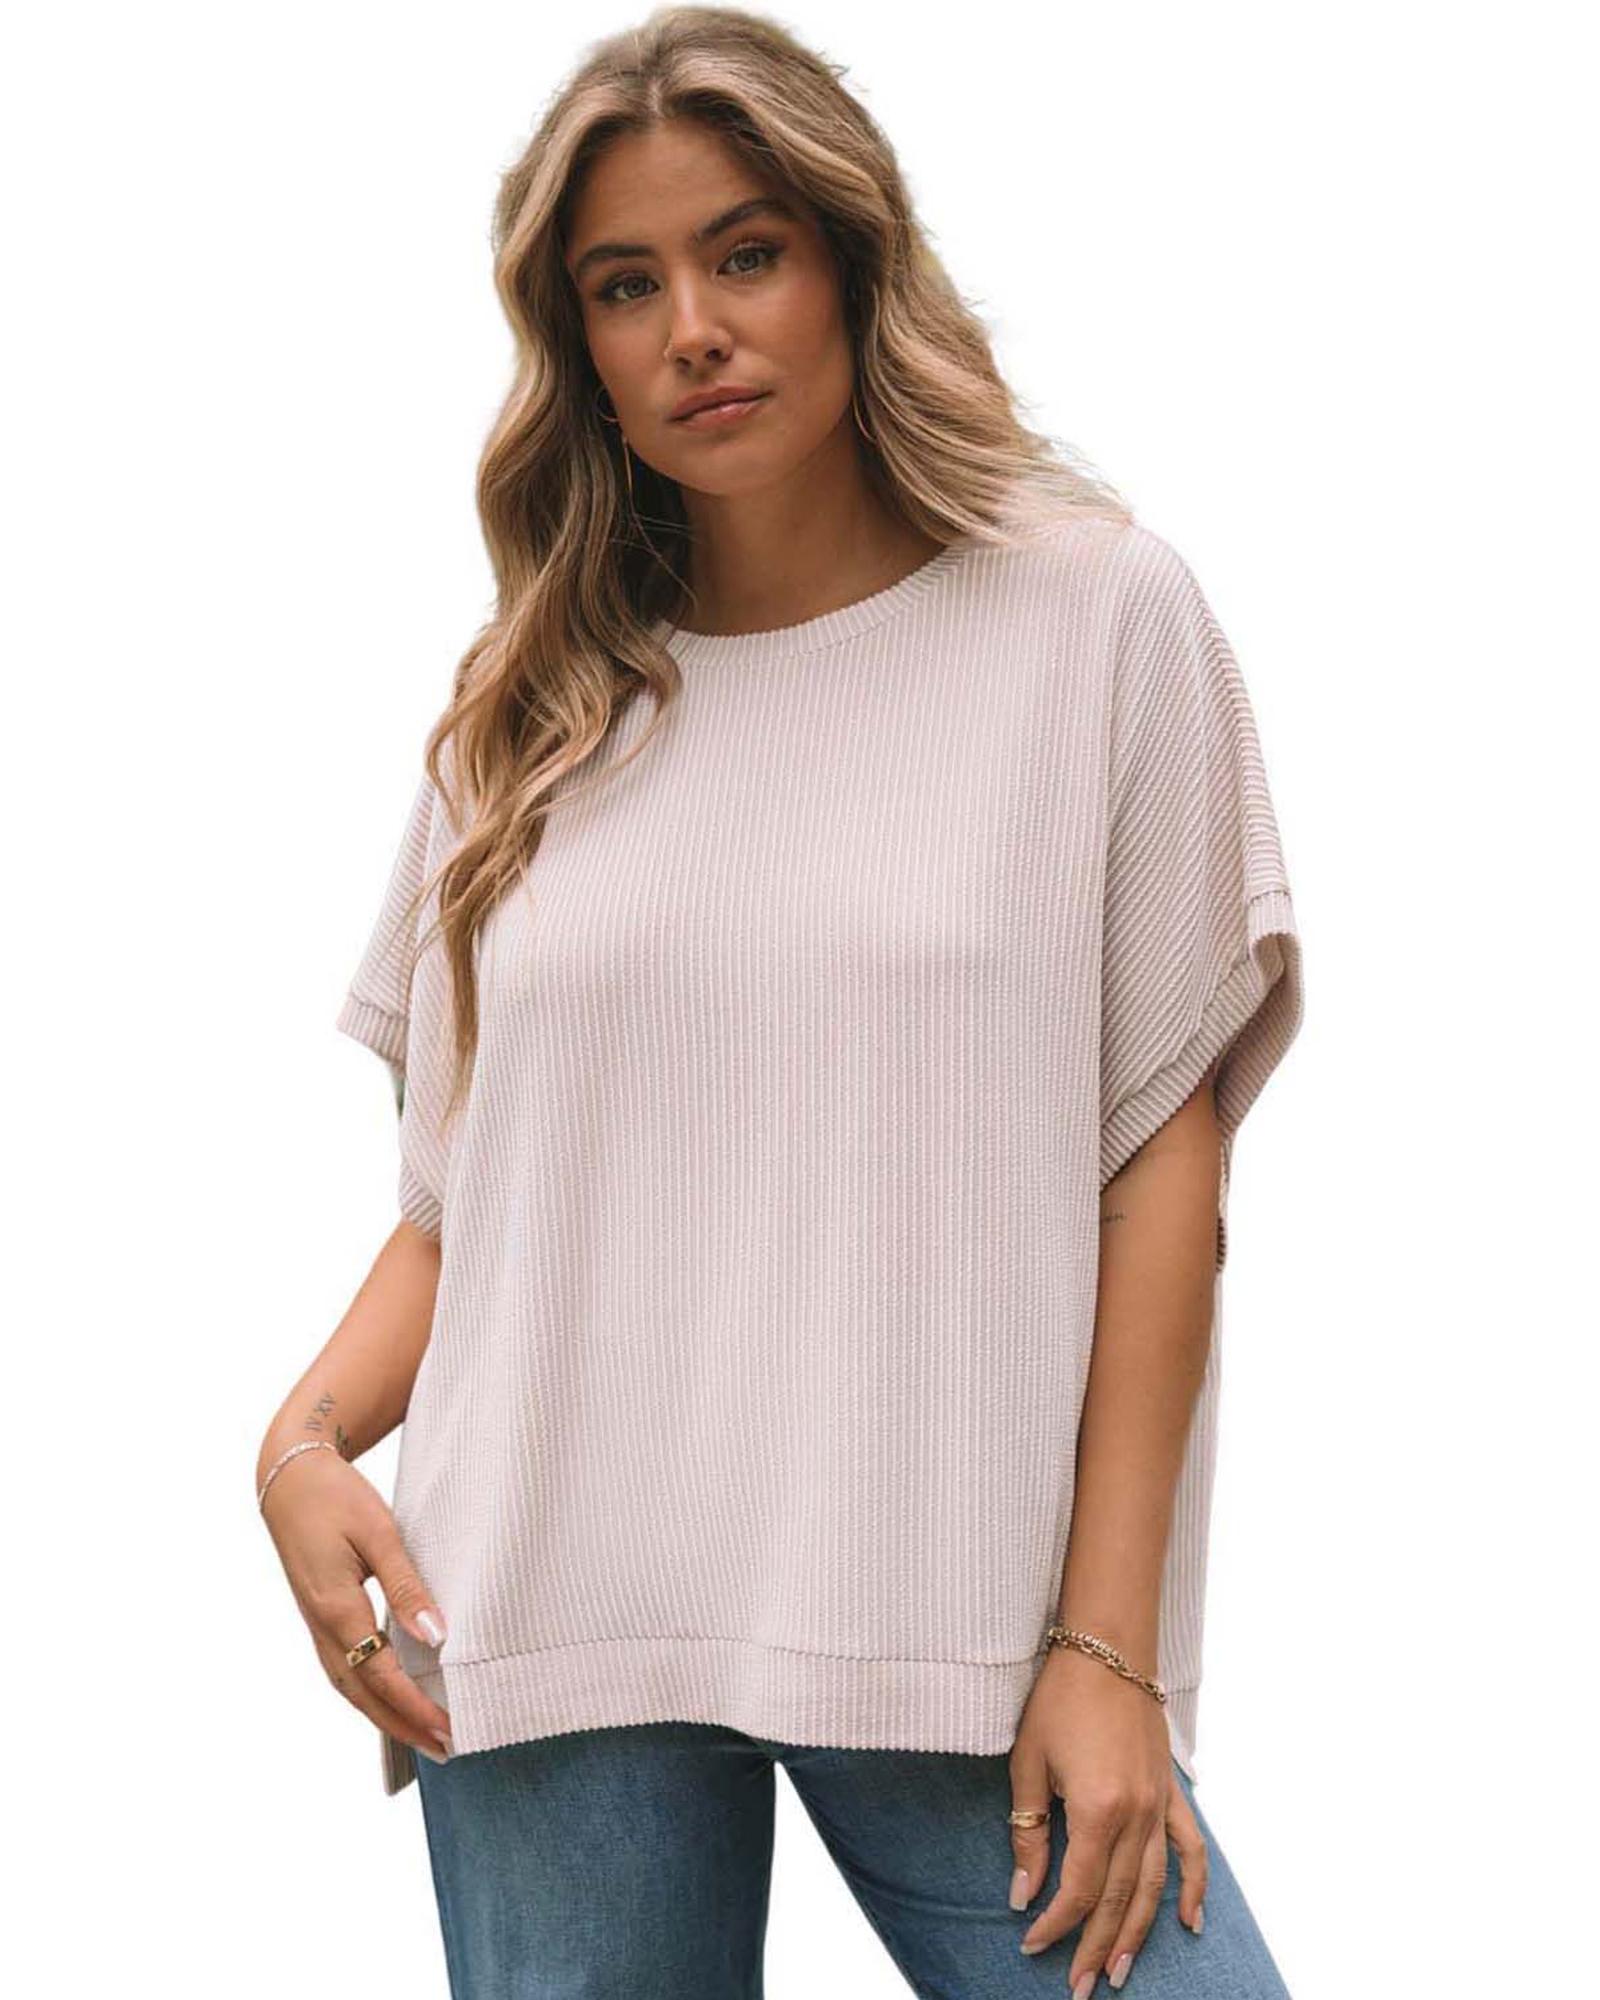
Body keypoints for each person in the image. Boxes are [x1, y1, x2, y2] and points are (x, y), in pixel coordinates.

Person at [256, 7, 1305, 1994]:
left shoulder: (1095, 619)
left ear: (850, 262)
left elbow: (1160, 1161)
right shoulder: (523, 716)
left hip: (959, 1622)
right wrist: (298, 1449)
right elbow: (466, 1213)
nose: (694, 330)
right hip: (548, 1618)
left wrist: (1107, 1652)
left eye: (745, 253)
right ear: (576, 345)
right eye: (623, 286)